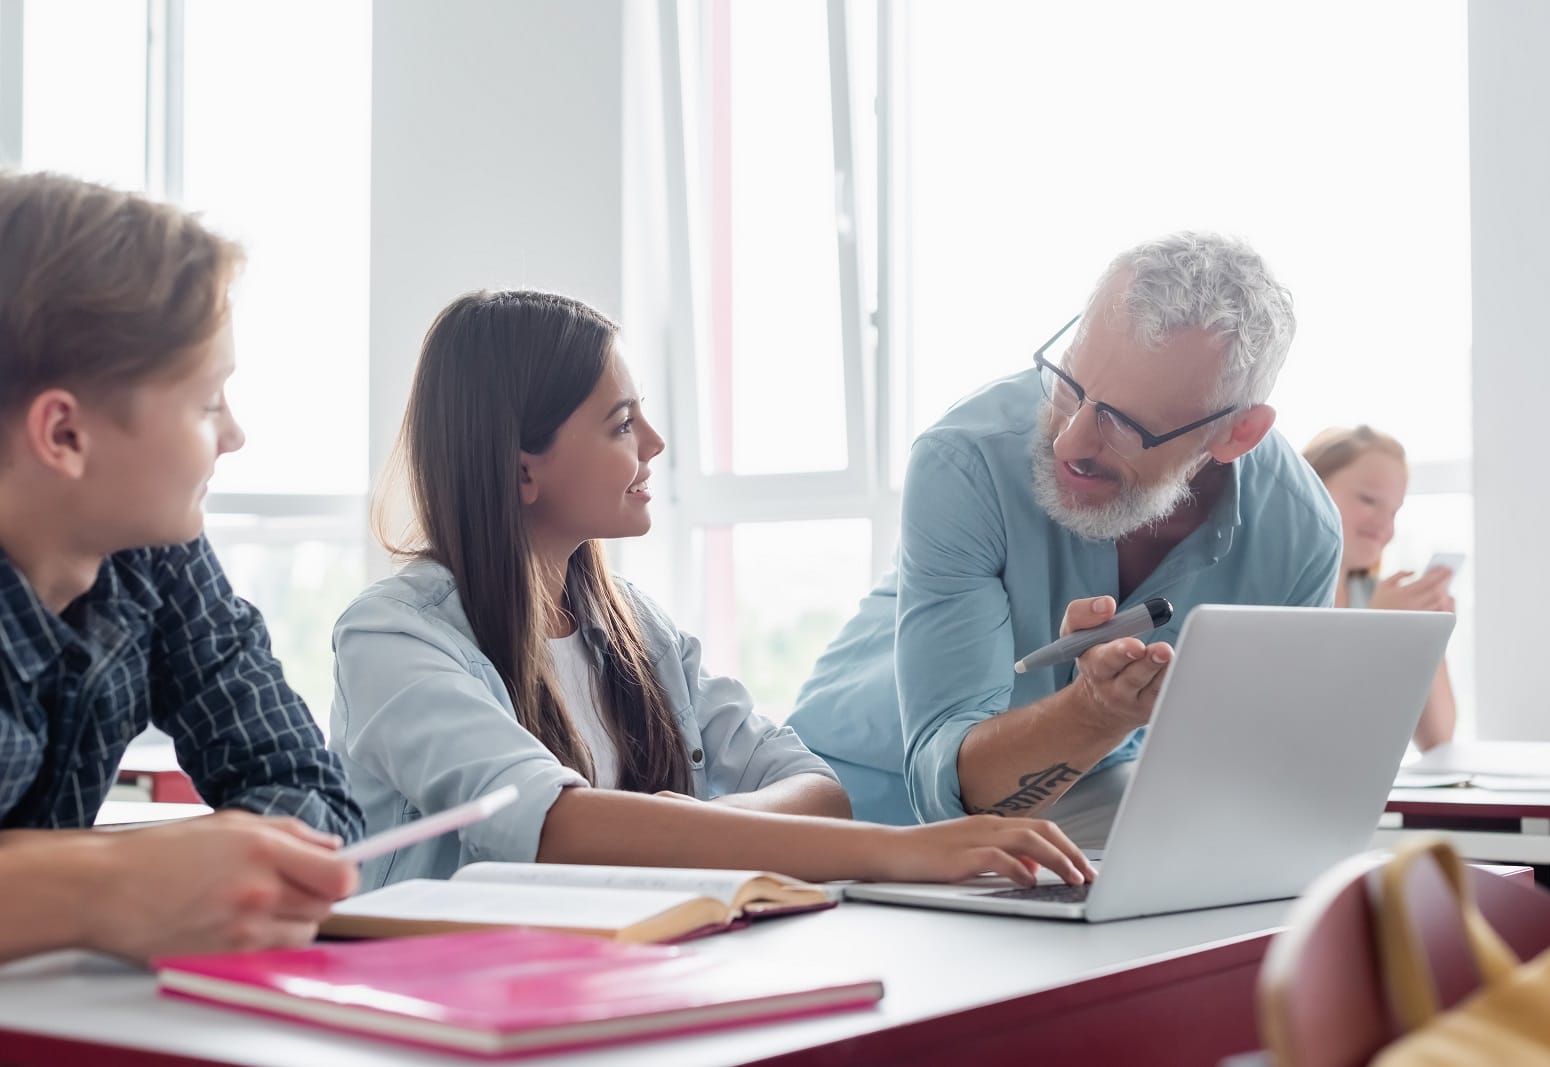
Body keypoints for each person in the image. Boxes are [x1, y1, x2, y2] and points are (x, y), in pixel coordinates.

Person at [331, 289, 1093, 891]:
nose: (655, 444)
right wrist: (899, 852)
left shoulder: (639, 631)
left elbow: (815, 788)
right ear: (522, 467)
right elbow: (551, 824)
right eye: (622, 423)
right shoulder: (393, 640)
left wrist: (690, 827)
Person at [786, 232, 1343, 843]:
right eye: (1069, 384)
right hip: (856, 801)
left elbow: (1252, 780)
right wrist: (1094, 713)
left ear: (1237, 434)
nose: (1070, 442)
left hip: (1070, 808)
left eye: (1126, 424)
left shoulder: (1301, 535)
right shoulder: (967, 461)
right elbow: (944, 799)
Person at [0, 170, 361, 963]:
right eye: (207, 402)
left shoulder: (154, 551)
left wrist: (246, 869)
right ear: (64, 435)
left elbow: (307, 784)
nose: (234, 435)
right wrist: (111, 885)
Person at [1302, 425, 1456, 750]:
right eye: (1368, 500)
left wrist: (1430, 636)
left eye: (1395, 511)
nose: (1385, 527)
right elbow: (1304, 717)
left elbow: (1438, 739)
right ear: (1309, 485)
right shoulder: (1281, 588)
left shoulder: (1369, 594)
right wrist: (1372, 623)